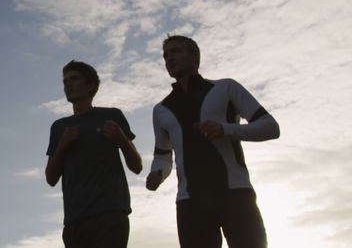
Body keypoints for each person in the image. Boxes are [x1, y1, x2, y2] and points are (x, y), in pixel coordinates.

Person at [146, 35, 280, 248]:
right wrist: (157, 174)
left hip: (235, 194)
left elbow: (271, 127)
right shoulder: (160, 110)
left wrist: (225, 130)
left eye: (176, 51)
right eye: (165, 55)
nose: (169, 58)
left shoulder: (226, 88)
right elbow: (162, 156)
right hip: (190, 203)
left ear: (195, 57)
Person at [45, 60, 142, 248]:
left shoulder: (112, 116)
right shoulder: (59, 127)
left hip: (111, 214)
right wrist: (63, 145)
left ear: (90, 85)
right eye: (65, 81)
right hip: (75, 219)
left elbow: (137, 166)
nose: (68, 84)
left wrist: (122, 139)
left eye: (74, 79)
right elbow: (50, 178)